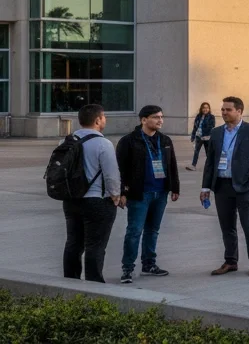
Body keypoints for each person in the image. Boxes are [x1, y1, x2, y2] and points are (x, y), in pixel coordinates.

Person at [199, 96, 249, 276]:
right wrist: (206, 187)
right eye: (222, 109)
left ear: (239, 111)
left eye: (228, 110)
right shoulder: (216, 133)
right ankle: (230, 261)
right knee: (226, 226)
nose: (224, 113)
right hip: (222, 186)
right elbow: (210, 162)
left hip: (245, 187)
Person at [115, 105, 180, 284]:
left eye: (161, 117)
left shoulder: (165, 140)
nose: (160, 120)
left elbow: (171, 165)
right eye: (156, 117)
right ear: (144, 120)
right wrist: (121, 192)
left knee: (153, 230)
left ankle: (149, 264)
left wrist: (175, 188)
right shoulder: (129, 141)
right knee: (134, 231)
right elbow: (120, 168)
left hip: (160, 192)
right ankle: (127, 268)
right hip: (139, 194)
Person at [59, 104, 123, 283]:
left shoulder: (66, 141)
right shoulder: (103, 143)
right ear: (97, 120)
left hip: (71, 200)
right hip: (97, 201)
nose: (104, 120)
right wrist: (116, 196)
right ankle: (94, 284)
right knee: (95, 246)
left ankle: (70, 282)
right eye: (104, 117)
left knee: (73, 243)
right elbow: (111, 175)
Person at [185, 102, 215, 172]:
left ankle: (211, 166)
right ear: (201, 109)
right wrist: (193, 136)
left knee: (208, 153)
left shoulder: (211, 117)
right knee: (196, 152)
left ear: (209, 109)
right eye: (204, 108)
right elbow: (195, 127)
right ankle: (193, 166)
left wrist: (206, 135)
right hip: (198, 136)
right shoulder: (198, 116)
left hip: (207, 138)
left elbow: (212, 127)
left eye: (207, 108)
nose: (205, 109)